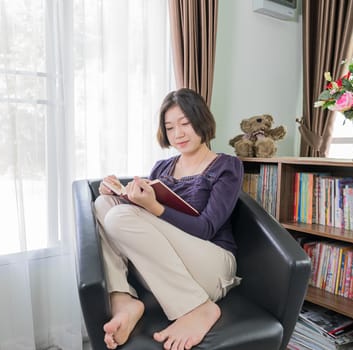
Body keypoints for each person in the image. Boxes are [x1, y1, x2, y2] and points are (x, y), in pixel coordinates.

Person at [94, 88, 243, 350]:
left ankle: (197, 308)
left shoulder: (227, 166)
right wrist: (121, 193)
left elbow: (207, 228)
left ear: (201, 121)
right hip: (171, 263)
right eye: (170, 127)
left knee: (119, 217)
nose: (179, 134)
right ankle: (123, 298)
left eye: (185, 123)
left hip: (213, 264)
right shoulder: (162, 168)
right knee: (104, 204)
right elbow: (147, 225)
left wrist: (153, 206)